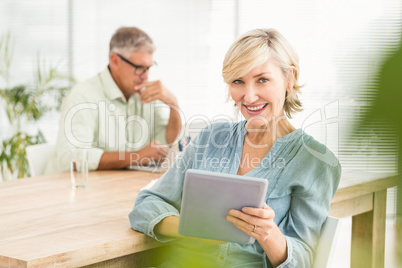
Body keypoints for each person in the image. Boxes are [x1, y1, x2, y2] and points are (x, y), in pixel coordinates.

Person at [129, 28, 341, 267]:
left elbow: (305, 259)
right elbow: (145, 205)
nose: (249, 97)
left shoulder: (315, 162)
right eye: (238, 81)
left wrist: (268, 233)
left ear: (289, 79)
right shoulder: (211, 138)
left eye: (262, 79)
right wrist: (192, 229)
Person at [44, 27, 181, 174]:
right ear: (115, 61)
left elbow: (166, 146)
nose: (145, 76)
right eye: (139, 68)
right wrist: (135, 157)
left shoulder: (146, 95)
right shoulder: (83, 95)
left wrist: (173, 104)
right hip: (69, 188)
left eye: (148, 68)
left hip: (116, 186)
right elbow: (70, 156)